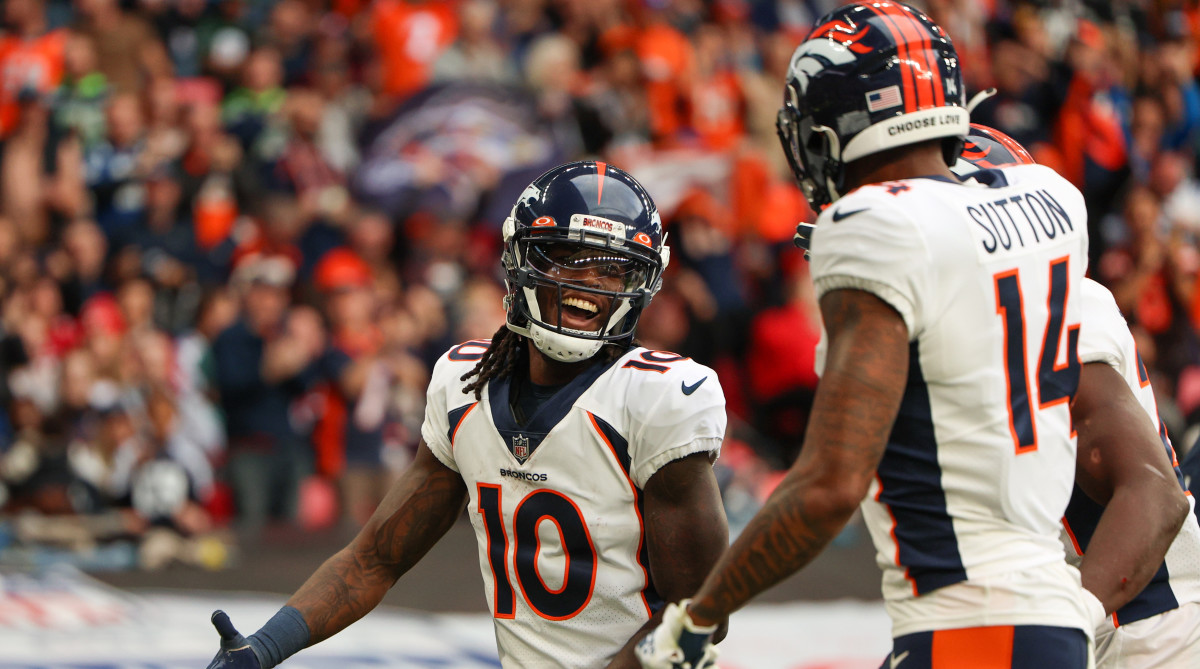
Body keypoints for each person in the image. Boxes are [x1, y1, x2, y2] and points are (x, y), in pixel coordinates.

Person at [637, 3, 1096, 667]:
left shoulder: (876, 224)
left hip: (967, 622)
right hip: (1048, 608)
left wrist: (698, 616)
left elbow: (829, 485)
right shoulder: (1050, 195)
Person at [206, 161, 730, 668]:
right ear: (522, 261)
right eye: (568, 257)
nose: (590, 282)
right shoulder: (465, 385)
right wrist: (264, 649)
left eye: (614, 268)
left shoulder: (657, 398)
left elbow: (699, 614)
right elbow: (374, 559)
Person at [952, 125, 1200, 668]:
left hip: (1143, 628)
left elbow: (1154, 496)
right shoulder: (966, 327)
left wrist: (1061, 624)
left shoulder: (1047, 304)